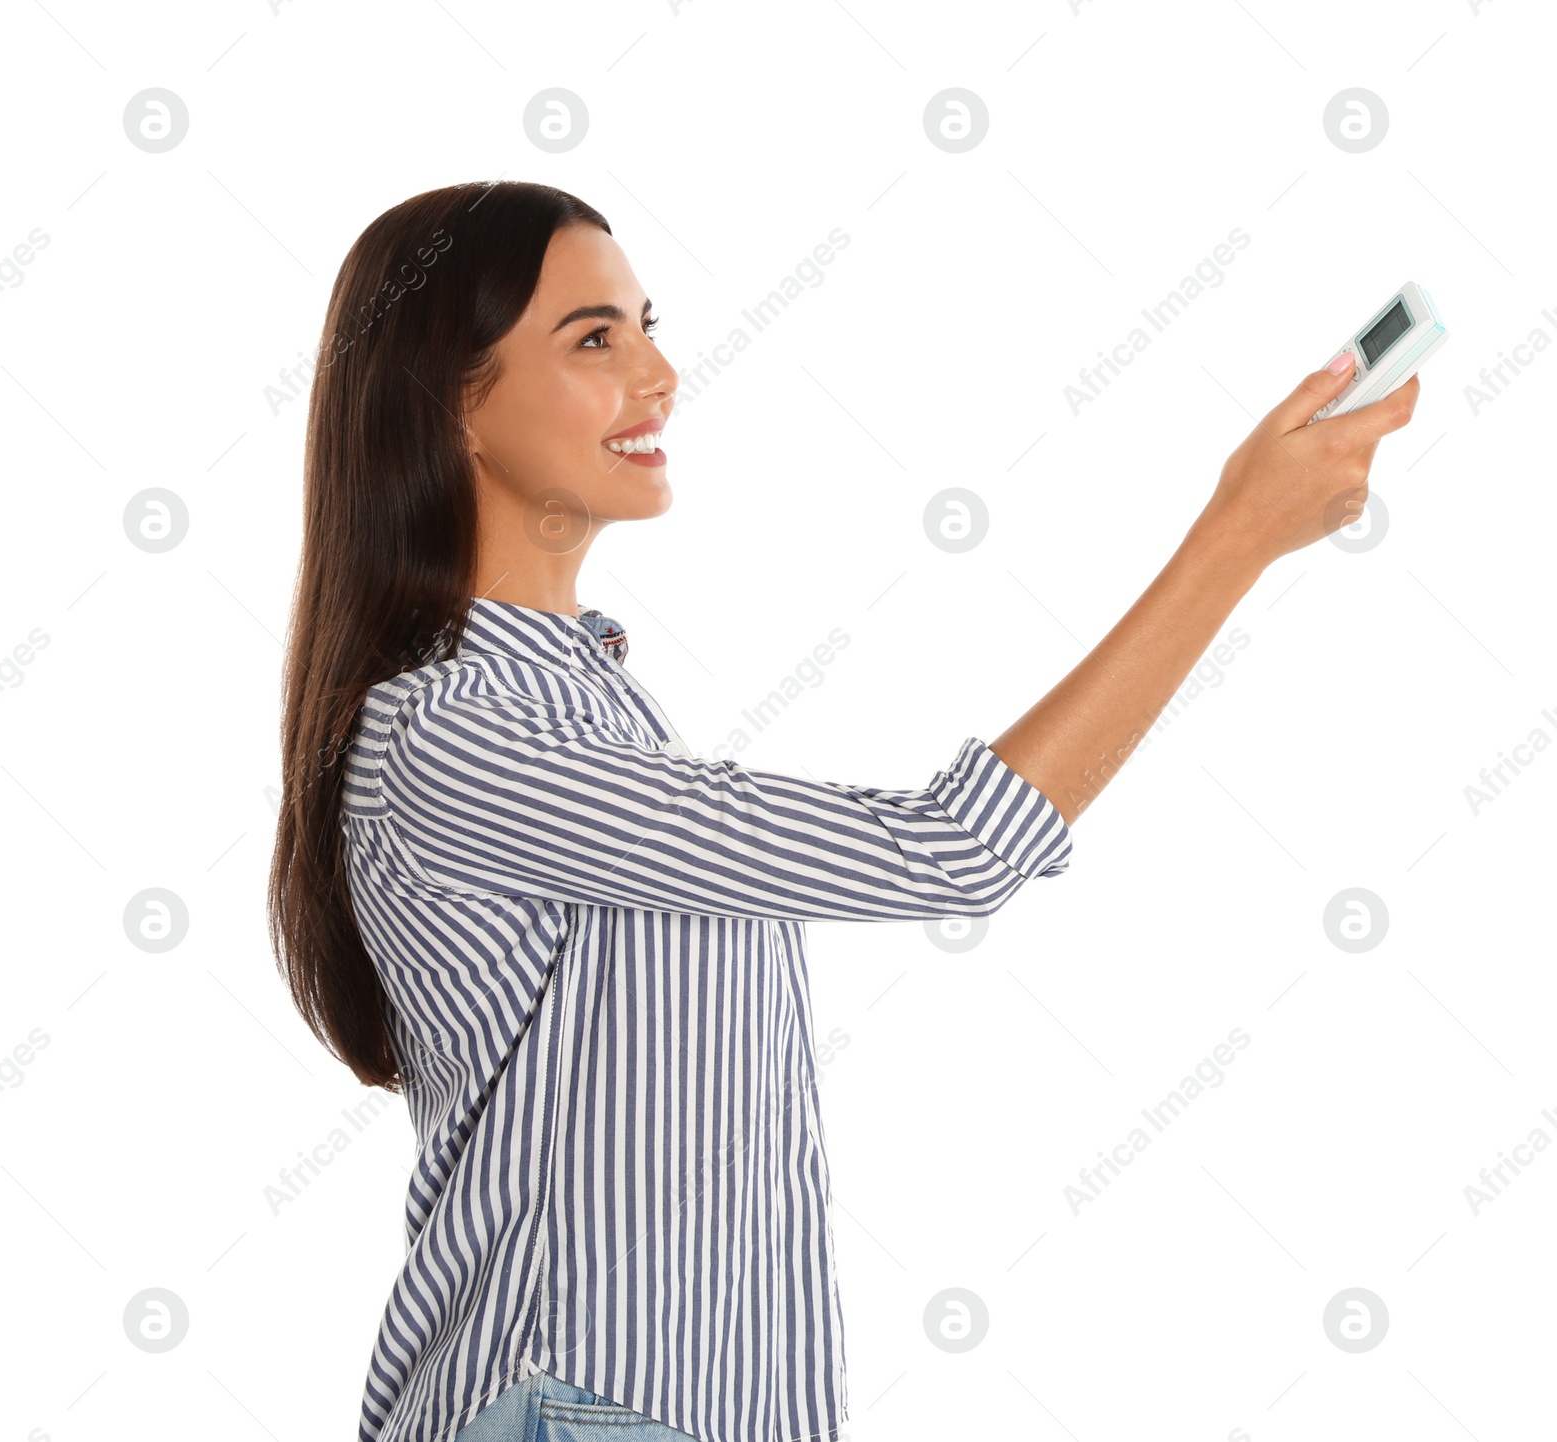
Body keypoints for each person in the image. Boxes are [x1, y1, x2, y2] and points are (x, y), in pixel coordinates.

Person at [267, 180, 1419, 1442]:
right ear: (450, 399)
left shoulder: (589, 704)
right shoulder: (463, 728)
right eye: (594, 338)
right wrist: (1234, 539)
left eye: (646, 324)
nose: (657, 371)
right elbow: (952, 848)